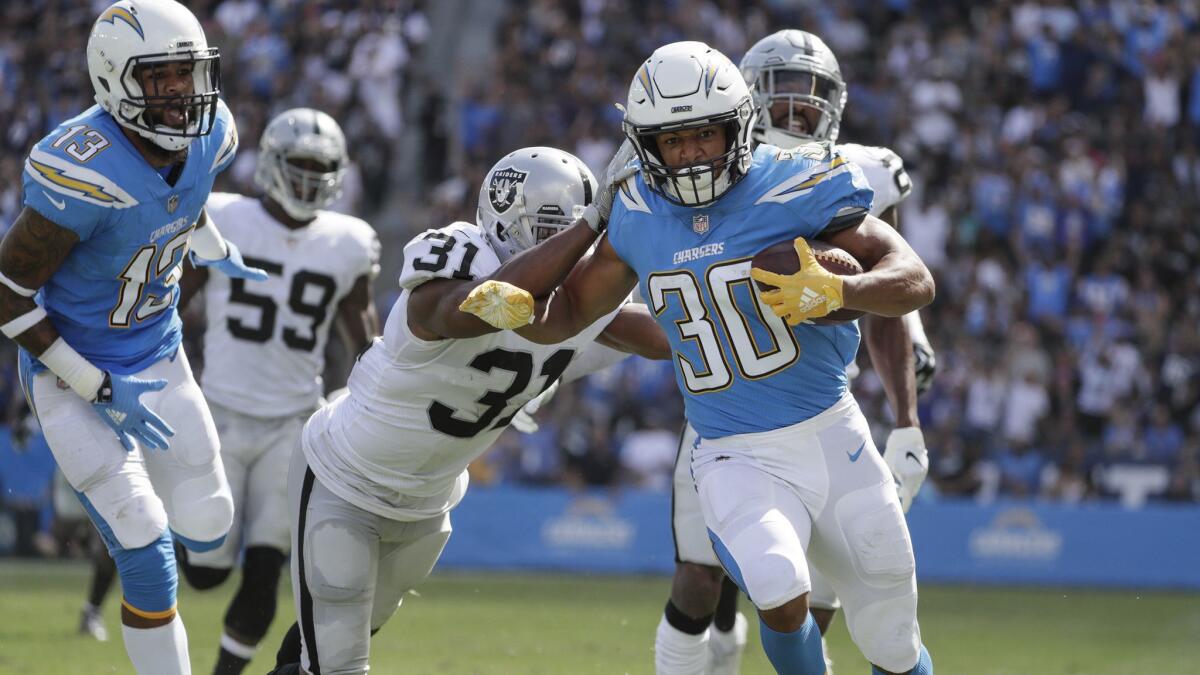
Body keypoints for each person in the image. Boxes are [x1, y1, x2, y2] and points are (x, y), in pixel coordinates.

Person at [464, 42, 936, 675]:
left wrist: (841, 290)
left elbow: (914, 278)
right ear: (643, 145)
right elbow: (576, 312)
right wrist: (519, 310)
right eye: (670, 141)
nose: (688, 155)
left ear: (736, 126)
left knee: (892, 637)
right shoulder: (634, 213)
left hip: (831, 432)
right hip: (731, 449)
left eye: (703, 135)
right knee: (774, 581)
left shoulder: (798, 181)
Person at [266, 146, 669, 675]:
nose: (570, 247)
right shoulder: (455, 261)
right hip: (344, 481)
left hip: (428, 506)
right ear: (504, 217)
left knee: (315, 651)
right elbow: (492, 303)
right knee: (339, 663)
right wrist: (593, 223)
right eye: (553, 228)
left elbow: (679, 337)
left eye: (576, 233)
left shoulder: (578, 311)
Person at [653, 29, 940, 675]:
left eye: (809, 95)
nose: (794, 109)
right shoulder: (709, 172)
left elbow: (895, 290)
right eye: (779, 94)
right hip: (725, 403)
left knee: (830, 589)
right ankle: (719, 654)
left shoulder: (858, 172)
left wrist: (907, 417)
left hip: (819, 401)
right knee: (701, 575)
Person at [0, 2, 266, 673]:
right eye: (164, 78)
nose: (185, 94)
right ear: (115, 78)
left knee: (210, 521)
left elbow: (185, 193)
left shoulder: (212, 133)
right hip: (71, 374)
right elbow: (6, 293)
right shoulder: (81, 172)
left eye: (192, 73)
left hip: (158, 353)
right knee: (146, 546)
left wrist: (208, 242)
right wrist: (96, 384)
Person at [175, 108, 381, 675]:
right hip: (216, 412)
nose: (311, 178)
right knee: (206, 572)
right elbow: (170, 301)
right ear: (270, 162)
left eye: (323, 167)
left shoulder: (349, 241)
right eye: (300, 164)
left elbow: (363, 335)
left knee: (268, 563)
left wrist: (382, 392)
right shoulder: (223, 216)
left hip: (294, 423)